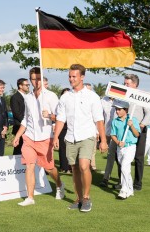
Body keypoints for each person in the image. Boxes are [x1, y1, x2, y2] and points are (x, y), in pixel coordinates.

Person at [53, 64, 107, 213]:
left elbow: (99, 120)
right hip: (70, 137)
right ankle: (78, 199)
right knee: (75, 169)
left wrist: (103, 140)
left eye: (74, 76)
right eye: (69, 76)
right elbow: (60, 119)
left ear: (82, 77)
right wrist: (56, 136)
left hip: (87, 136)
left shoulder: (92, 96)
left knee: (84, 166)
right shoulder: (65, 97)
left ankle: (86, 197)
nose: (71, 79)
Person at [13, 67, 65, 206]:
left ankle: (59, 184)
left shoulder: (51, 96)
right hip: (29, 137)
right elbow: (25, 119)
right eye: (33, 79)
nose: (35, 82)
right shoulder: (28, 97)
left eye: (38, 79)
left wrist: (49, 116)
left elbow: (60, 117)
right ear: (30, 80)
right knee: (29, 166)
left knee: (49, 168)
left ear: (42, 80)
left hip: (45, 137)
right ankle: (30, 197)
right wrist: (18, 135)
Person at [115, 74, 150, 191]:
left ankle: (137, 183)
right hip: (124, 130)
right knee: (121, 154)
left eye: (127, 83)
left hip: (138, 130)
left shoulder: (143, 97)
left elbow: (149, 114)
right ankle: (122, 181)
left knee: (138, 157)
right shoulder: (123, 96)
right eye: (124, 83)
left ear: (135, 85)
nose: (125, 85)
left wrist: (141, 126)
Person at [110, 100, 140, 199]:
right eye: (116, 109)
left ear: (126, 110)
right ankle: (130, 189)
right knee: (126, 169)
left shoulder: (133, 120)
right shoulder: (115, 121)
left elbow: (137, 134)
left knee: (124, 167)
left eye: (119, 109)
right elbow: (113, 135)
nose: (117, 111)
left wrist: (131, 126)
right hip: (120, 147)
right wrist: (118, 142)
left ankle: (124, 190)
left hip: (130, 147)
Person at [99, 94, 119, 187]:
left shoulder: (121, 100)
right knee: (110, 156)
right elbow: (100, 116)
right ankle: (106, 178)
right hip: (108, 132)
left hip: (119, 133)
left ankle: (121, 180)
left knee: (120, 158)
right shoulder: (103, 100)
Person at [10, 78, 29, 155]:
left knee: (26, 149)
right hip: (19, 126)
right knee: (18, 149)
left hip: (27, 128)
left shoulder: (28, 97)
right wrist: (26, 122)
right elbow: (16, 113)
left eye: (28, 85)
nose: (28, 86)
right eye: (26, 85)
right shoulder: (15, 97)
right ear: (20, 86)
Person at [57, 88, 71, 173]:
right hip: (62, 127)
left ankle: (71, 166)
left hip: (71, 128)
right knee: (63, 148)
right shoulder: (59, 104)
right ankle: (64, 167)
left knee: (71, 148)